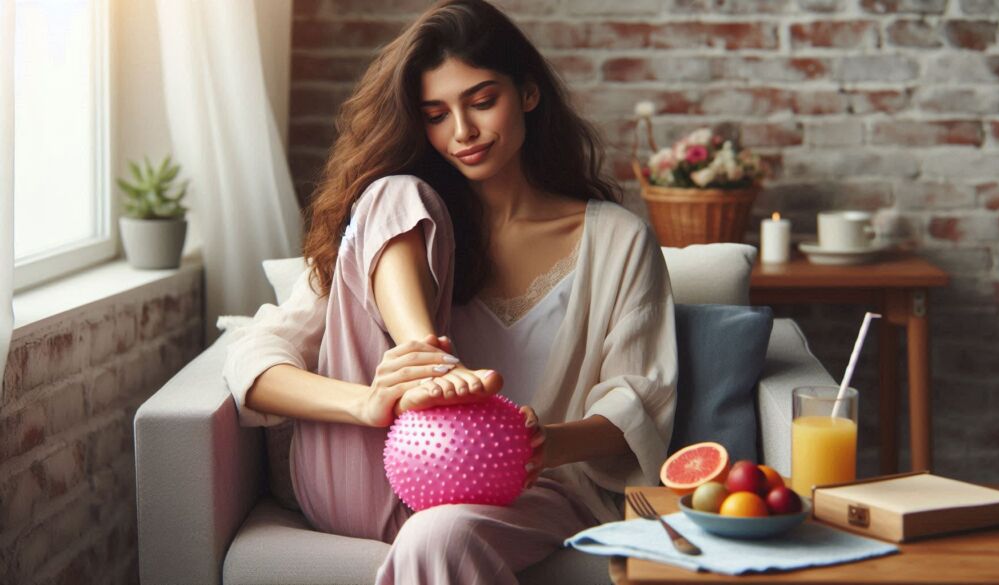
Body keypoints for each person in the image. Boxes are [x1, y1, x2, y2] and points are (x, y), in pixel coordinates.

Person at [222, 0, 677, 583]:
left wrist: (537, 443)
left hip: (516, 490)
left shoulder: (618, 239)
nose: (462, 133)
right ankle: (426, 361)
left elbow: (640, 402)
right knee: (389, 191)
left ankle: (431, 377)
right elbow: (252, 363)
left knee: (441, 533)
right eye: (436, 115)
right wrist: (371, 403)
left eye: (483, 101)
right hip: (372, 477)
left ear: (529, 94)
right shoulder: (401, 222)